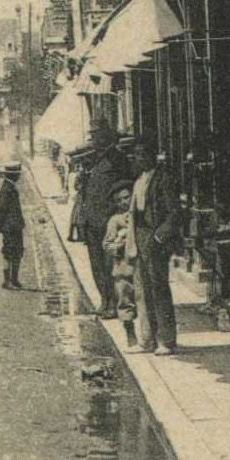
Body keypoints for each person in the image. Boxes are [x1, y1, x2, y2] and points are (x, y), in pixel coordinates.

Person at [70, 128, 131, 318]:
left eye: (98, 137)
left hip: (107, 220)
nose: (94, 140)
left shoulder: (118, 159)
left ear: (108, 138)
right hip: (90, 221)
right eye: (93, 137)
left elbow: (127, 185)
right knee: (96, 264)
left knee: (109, 265)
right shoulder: (91, 159)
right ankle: (104, 300)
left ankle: (114, 303)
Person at [133, 152, 181, 354]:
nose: (139, 157)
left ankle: (166, 340)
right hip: (141, 234)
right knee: (144, 288)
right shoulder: (140, 178)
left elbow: (174, 212)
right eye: (138, 153)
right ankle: (149, 338)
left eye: (143, 152)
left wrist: (160, 236)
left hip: (155, 237)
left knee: (159, 287)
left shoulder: (163, 178)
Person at [102, 183, 141, 348]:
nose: (124, 202)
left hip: (139, 266)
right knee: (125, 300)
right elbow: (107, 244)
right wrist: (120, 245)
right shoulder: (115, 220)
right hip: (123, 268)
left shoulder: (139, 216)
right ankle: (130, 332)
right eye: (120, 200)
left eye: (127, 197)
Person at [0, 161, 28, 290]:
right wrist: (0, 224)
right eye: (17, 174)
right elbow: (2, 209)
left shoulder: (10, 187)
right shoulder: (6, 189)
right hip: (10, 226)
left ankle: (14, 279)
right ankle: (7, 281)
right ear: (13, 176)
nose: (19, 176)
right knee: (9, 253)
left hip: (15, 225)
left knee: (17, 252)